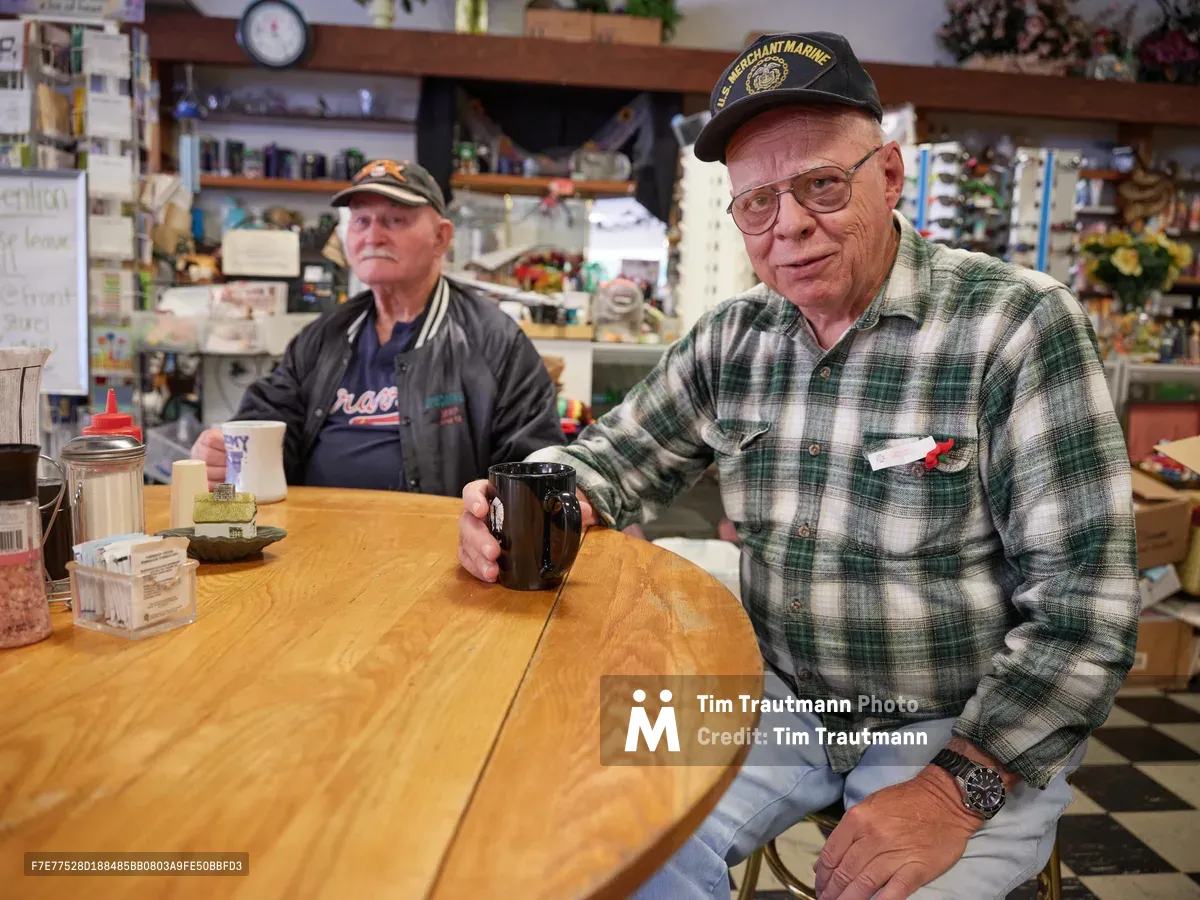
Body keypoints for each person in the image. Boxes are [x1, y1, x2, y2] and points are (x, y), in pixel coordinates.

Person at [456, 31, 1139, 900]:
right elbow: (610, 461)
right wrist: (511, 504)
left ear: (888, 176)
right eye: (756, 203)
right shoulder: (735, 338)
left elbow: (1090, 609)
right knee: (565, 825)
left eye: (822, 184)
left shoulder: (1018, 327)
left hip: (954, 724)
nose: (790, 227)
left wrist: (953, 788)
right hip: (768, 694)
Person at [190, 159, 564, 494]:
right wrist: (226, 452)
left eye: (395, 220)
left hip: (439, 552)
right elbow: (267, 423)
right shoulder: (323, 337)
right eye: (362, 220)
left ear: (441, 237)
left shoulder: (494, 341)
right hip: (317, 543)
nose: (373, 236)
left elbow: (532, 468)